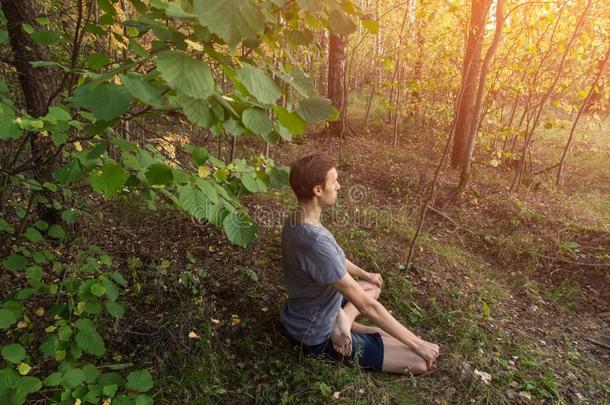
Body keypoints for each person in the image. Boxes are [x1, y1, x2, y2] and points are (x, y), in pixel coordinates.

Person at [279, 153, 440, 374]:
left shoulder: (297, 219)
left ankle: (343, 318)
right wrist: (418, 344)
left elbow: (335, 259)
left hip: (309, 308)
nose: (339, 186)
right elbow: (367, 305)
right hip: (314, 334)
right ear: (318, 190)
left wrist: (365, 274)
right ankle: (344, 326)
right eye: (333, 181)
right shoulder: (315, 242)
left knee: (371, 286)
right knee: (420, 362)